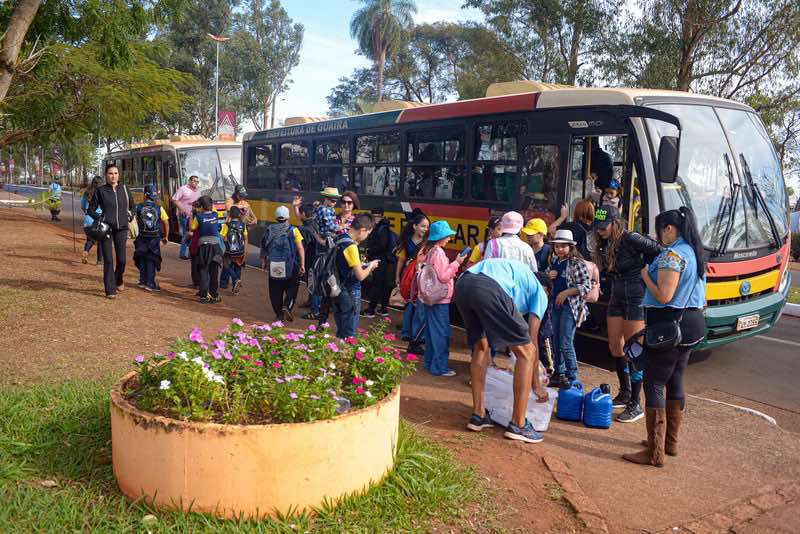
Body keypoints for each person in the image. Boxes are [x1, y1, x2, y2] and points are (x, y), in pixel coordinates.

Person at [623, 207, 706, 468]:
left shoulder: (673, 255)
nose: (658, 237)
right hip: (691, 323)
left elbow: (664, 296)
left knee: (654, 383)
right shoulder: (693, 252)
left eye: (660, 230)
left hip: (668, 326)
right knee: (676, 378)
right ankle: (669, 443)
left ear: (669, 229)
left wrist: (646, 275)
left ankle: (654, 453)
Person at [455, 258, 550, 443]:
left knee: (481, 346)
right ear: (547, 289)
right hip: (488, 287)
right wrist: (536, 385)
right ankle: (519, 424)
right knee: (527, 352)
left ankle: (479, 415)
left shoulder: (519, 277)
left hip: (463, 283)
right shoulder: (540, 293)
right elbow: (532, 340)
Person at [592, 205, 662, 423]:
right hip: (617, 293)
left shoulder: (631, 238)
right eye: (598, 227)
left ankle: (636, 402)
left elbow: (659, 250)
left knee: (634, 349)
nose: (600, 231)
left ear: (616, 223)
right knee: (616, 346)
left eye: (604, 227)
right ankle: (624, 392)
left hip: (636, 295)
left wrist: (647, 273)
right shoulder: (604, 243)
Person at [420, 220, 468, 377]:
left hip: (430, 297)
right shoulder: (439, 253)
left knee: (432, 332)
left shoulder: (430, 251)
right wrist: (457, 263)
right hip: (440, 299)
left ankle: (430, 362)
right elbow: (443, 276)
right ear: (440, 237)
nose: (449, 238)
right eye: (447, 236)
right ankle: (440, 367)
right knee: (442, 334)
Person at [547, 229, 592, 387]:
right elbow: (549, 278)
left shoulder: (576, 263)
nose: (559, 249)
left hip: (570, 307)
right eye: (557, 246)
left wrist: (566, 292)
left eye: (563, 246)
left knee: (565, 342)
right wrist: (549, 276)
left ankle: (572, 376)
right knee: (556, 340)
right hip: (556, 305)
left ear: (570, 247)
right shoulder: (555, 260)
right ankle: (559, 373)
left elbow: (586, 286)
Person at [332, 214, 380, 339]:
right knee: (349, 332)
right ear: (362, 230)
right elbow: (360, 276)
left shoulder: (339, 238)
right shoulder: (351, 247)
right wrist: (371, 266)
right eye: (368, 233)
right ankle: (345, 355)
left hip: (336, 288)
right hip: (350, 291)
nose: (366, 237)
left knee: (341, 328)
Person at [89, 164, 133, 299]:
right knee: (108, 259)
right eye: (110, 173)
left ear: (119, 175)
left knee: (122, 260)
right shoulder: (100, 191)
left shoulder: (125, 189)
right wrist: (100, 217)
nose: (113, 176)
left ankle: (118, 279)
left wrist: (132, 214)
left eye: (115, 173)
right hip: (106, 229)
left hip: (122, 229)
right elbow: (90, 209)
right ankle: (110, 290)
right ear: (106, 175)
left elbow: (133, 206)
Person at [260, 206, 305, 321]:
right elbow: (300, 248)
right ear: (288, 217)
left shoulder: (269, 229)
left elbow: (264, 246)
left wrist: (264, 261)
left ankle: (279, 314)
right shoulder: (293, 230)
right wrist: (302, 264)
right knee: (292, 287)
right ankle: (287, 306)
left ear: (276, 217)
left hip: (274, 264)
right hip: (290, 265)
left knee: (275, 289)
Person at [395, 211, 430, 345]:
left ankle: (415, 333)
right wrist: (397, 277)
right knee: (410, 303)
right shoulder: (406, 241)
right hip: (409, 276)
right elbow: (400, 260)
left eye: (427, 227)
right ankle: (406, 332)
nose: (425, 229)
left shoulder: (427, 243)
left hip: (422, 276)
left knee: (418, 304)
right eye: (422, 226)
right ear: (414, 226)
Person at [132, 184, 170, 292]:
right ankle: (150, 283)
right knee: (152, 260)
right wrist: (166, 236)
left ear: (145, 195)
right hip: (154, 238)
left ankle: (142, 281)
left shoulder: (138, 207)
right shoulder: (159, 208)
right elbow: (166, 222)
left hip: (142, 237)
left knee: (142, 257)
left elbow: (132, 220)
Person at [363, 207, 397, 318]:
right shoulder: (384, 227)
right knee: (384, 285)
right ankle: (383, 309)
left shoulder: (380, 229)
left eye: (377, 216)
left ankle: (371, 310)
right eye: (374, 216)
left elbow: (381, 246)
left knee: (377, 284)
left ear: (381, 216)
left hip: (380, 260)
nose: (375, 218)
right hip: (385, 260)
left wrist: (370, 252)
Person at [191, 195, 223, 304]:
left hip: (204, 246)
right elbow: (212, 209)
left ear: (201, 207)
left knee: (204, 270)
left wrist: (194, 213)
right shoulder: (215, 215)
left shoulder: (198, 217)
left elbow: (193, 228)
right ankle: (214, 295)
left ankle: (204, 296)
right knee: (214, 272)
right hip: (216, 246)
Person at [298, 203, 323, 320]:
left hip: (310, 260)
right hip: (320, 259)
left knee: (313, 284)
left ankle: (315, 311)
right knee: (313, 282)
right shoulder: (317, 224)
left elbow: (301, 247)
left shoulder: (303, 229)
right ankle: (311, 302)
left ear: (303, 214)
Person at [220, 206, 248, 295]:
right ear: (239, 215)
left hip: (229, 251)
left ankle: (235, 279)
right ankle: (236, 288)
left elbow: (222, 237)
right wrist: (245, 250)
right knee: (238, 268)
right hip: (240, 251)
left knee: (227, 266)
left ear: (230, 215)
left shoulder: (226, 225)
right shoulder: (243, 225)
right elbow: (246, 238)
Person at [172, 175, 201, 259]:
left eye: (197, 181)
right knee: (186, 234)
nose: (195, 183)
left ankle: (191, 253)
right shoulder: (183, 189)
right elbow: (174, 199)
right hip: (184, 216)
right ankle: (182, 254)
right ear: (189, 181)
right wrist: (181, 209)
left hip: (194, 216)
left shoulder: (198, 191)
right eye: (194, 181)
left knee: (194, 234)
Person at [534, 271, 556, 377]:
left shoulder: (547, 299)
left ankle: (550, 369)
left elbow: (547, 317)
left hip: (544, 330)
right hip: (536, 328)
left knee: (545, 347)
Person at [80, 176, 104, 265]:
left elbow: (82, 206)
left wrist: (87, 213)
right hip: (98, 219)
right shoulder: (102, 194)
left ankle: (86, 251)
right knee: (101, 241)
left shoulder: (87, 193)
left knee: (90, 240)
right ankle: (99, 261)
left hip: (88, 220)